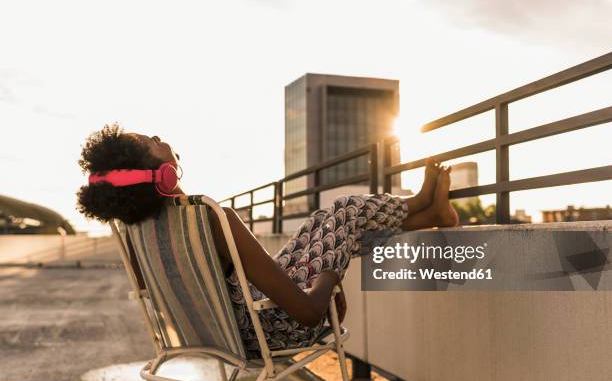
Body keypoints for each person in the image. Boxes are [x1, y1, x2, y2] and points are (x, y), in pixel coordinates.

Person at [77, 123, 458, 356]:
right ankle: (418, 207)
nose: (160, 137)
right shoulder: (212, 219)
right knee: (343, 211)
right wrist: (330, 278)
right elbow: (308, 312)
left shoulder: (139, 234)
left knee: (327, 222)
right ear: (160, 175)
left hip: (217, 333)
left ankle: (425, 213)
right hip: (271, 332)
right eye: (151, 140)